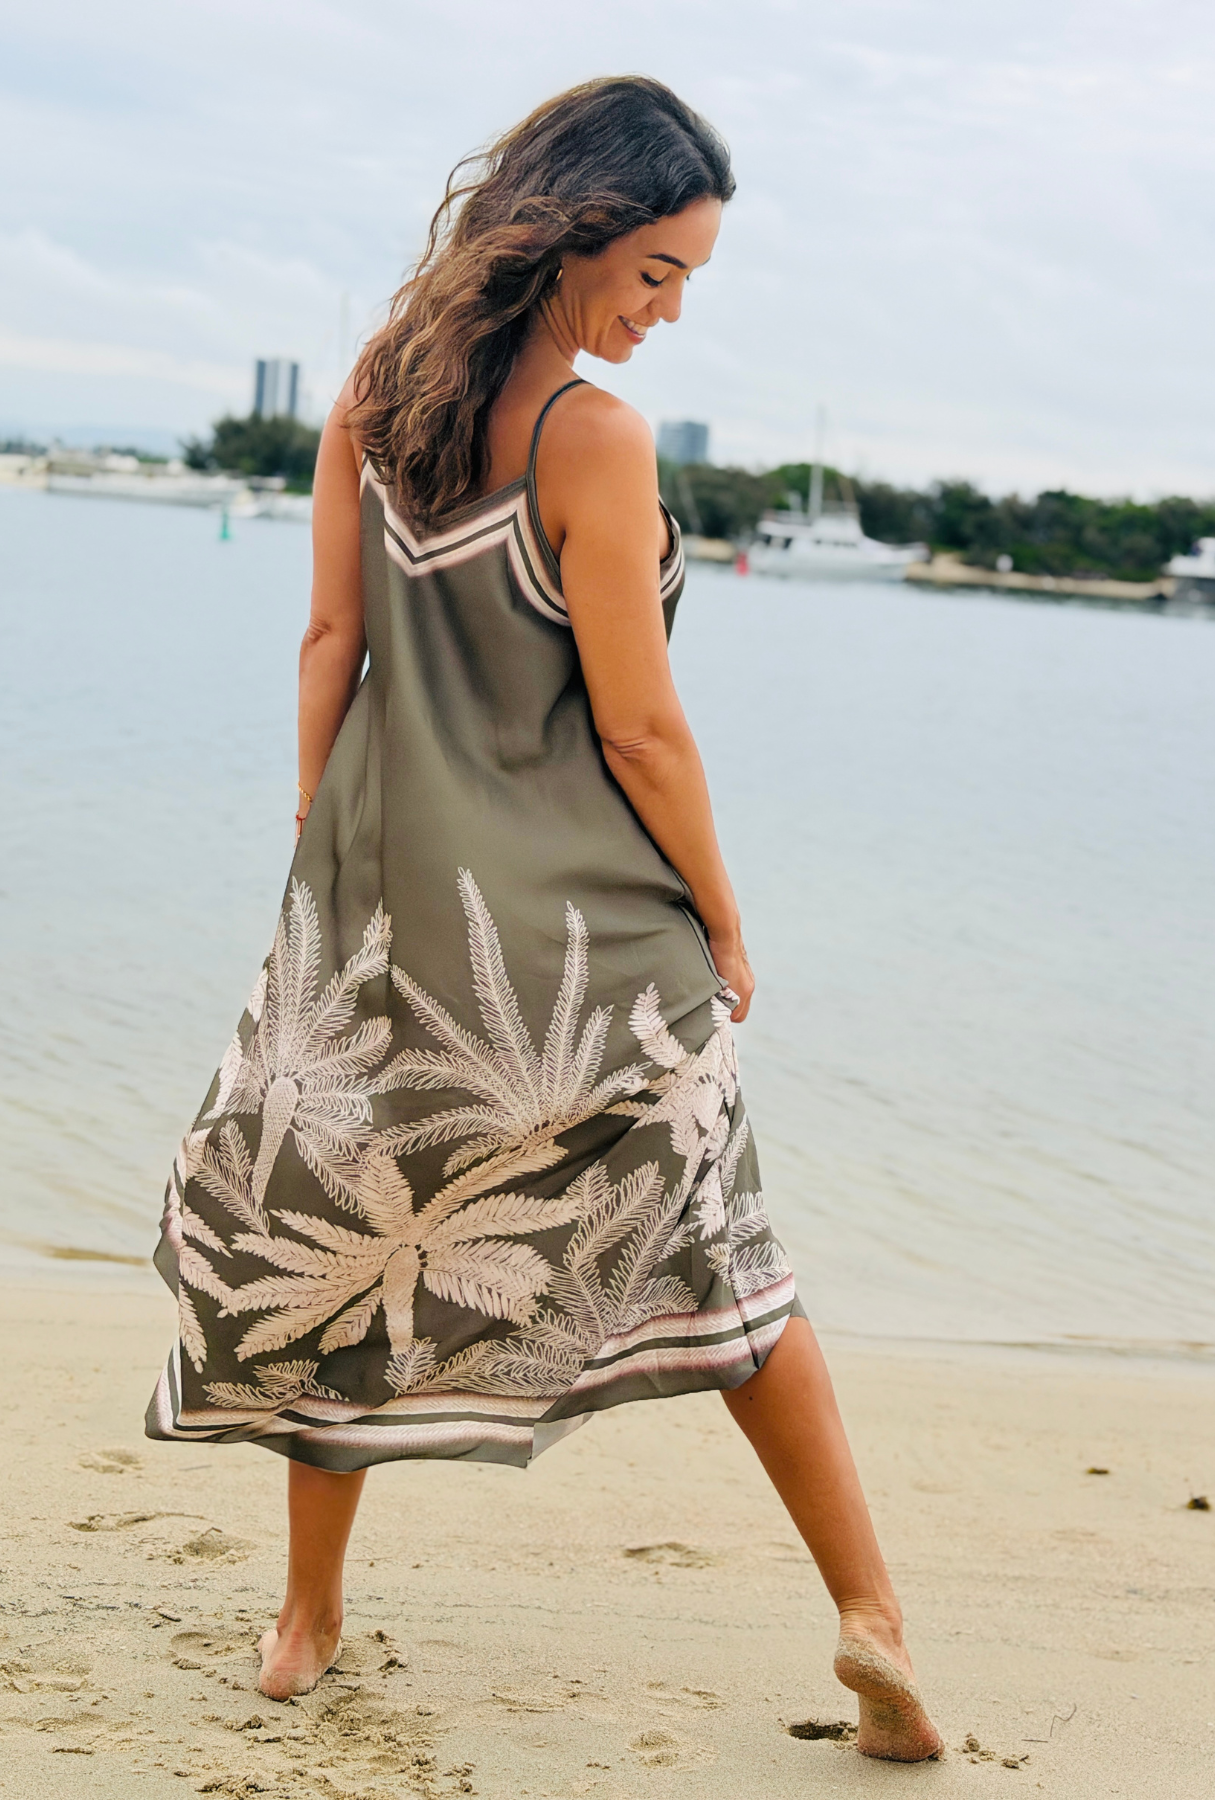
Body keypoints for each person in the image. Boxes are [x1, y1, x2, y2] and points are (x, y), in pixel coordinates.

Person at [146, 76, 941, 1763]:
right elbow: (640, 730)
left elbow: (328, 645)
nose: (667, 312)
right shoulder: (593, 439)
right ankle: (871, 1619)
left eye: (687, 282)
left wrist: (328, 852)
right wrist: (725, 920)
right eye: (655, 272)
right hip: (585, 952)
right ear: (574, 232)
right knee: (733, 1277)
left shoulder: (375, 393)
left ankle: (302, 1625)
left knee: (339, 1261)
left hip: (384, 924)